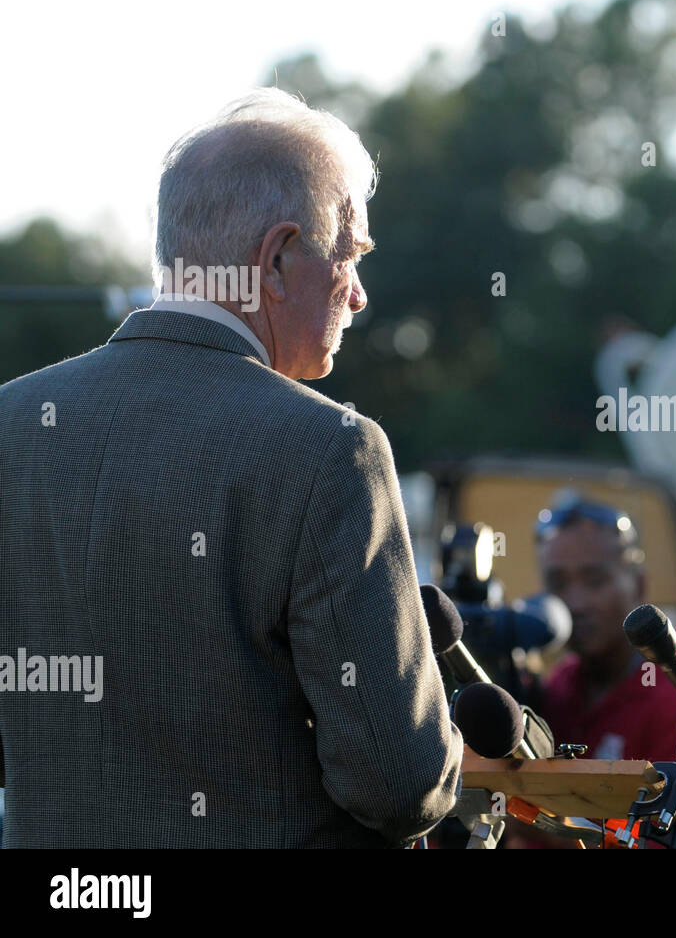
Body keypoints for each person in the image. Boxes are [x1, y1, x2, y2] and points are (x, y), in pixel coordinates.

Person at [0, 89, 461, 847]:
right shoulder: (328, 449)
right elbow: (397, 782)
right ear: (277, 260)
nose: (360, 293)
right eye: (349, 256)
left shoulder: (12, 424)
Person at [536, 496, 676, 849]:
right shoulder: (562, 683)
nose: (576, 602)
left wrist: (531, 822)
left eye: (595, 580)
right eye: (558, 583)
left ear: (640, 585)